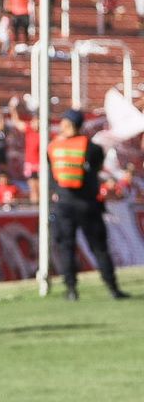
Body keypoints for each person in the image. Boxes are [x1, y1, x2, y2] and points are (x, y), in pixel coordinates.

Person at [47, 110, 130, 300]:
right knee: (99, 247)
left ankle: (71, 290)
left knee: (67, 247)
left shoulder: (53, 147)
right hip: (88, 204)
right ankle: (112, 288)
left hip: (64, 204)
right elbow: (97, 169)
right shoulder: (91, 147)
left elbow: (52, 176)